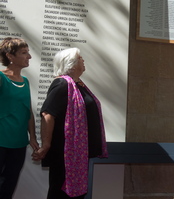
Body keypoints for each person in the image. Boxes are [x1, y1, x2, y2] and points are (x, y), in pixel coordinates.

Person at [32, 48, 108, 199]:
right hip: (65, 152)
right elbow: (48, 114)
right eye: (80, 58)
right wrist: (46, 145)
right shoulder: (62, 84)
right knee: (59, 192)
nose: (83, 60)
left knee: (76, 194)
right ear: (71, 65)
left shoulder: (79, 85)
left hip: (79, 152)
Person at [0, 37, 39, 199]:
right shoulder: (1, 78)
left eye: (28, 53)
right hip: (1, 141)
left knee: (9, 185)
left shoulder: (26, 81)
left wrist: (33, 138)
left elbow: (28, 111)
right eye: (24, 53)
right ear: (10, 56)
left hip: (19, 144)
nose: (29, 57)